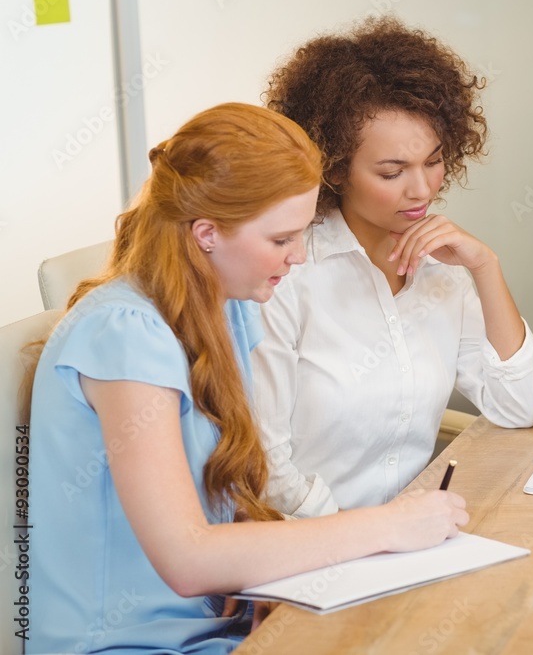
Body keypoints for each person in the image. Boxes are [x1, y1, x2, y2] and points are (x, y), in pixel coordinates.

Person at [26, 103, 468, 653]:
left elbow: (226, 502)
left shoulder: (227, 308)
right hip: (133, 643)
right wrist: (385, 526)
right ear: (207, 233)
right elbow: (188, 560)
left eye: (302, 234)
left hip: (223, 624)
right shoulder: (125, 334)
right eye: (281, 240)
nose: (299, 257)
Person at [253, 17, 533, 517]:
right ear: (334, 168)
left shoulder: (443, 268)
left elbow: (516, 407)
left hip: (408, 541)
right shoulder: (285, 276)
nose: (423, 190)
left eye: (433, 161)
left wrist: (485, 266)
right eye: (392, 172)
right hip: (308, 552)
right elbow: (267, 471)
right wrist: (370, 537)